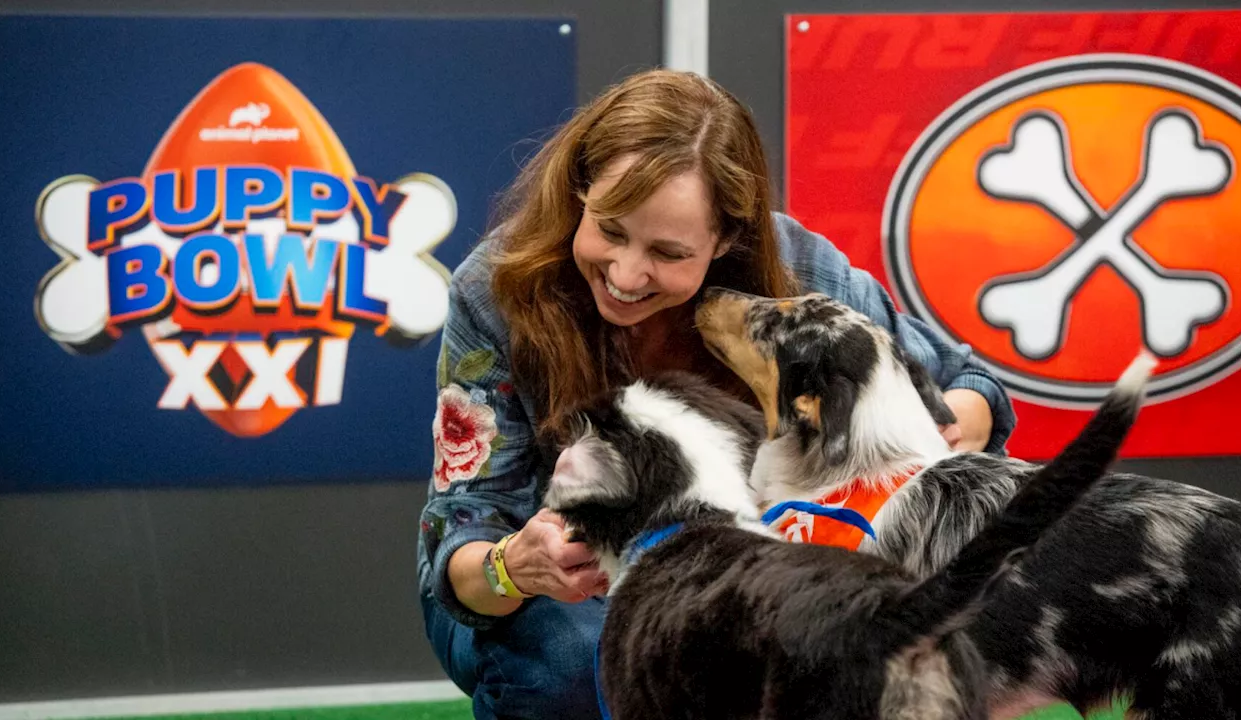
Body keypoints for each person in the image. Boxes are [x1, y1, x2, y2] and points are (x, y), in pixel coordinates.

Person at [417, 68, 1016, 720]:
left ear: (729, 239)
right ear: (578, 190)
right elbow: (461, 540)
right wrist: (514, 566)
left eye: (668, 252)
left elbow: (970, 385)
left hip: (750, 574)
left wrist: (944, 428)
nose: (624, 274)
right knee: (577, 659)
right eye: (611, 231)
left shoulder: (799, 270)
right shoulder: (495, 290)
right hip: (548, 599)